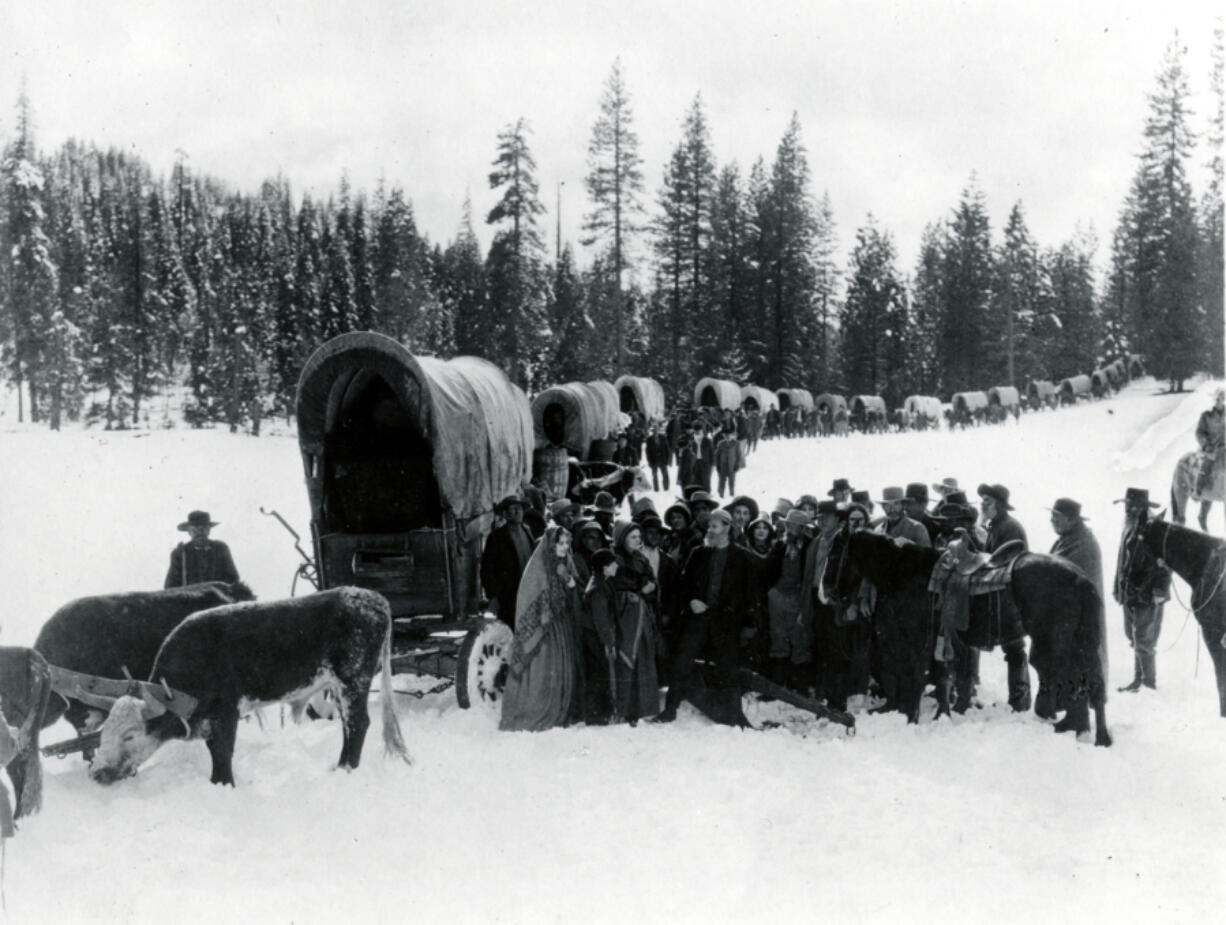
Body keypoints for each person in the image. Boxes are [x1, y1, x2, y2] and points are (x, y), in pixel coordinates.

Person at [655, 510, 754, 726]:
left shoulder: (741, 557)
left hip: (725, 621)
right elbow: (684, 585)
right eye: (709, 527)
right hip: (698, 618)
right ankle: (670, 710)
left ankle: (736, 717)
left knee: (728, 667)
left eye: (715, 527)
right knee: (682, 661)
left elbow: (748, 594)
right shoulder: (698, 553)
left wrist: (744, 621)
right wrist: (692, 600)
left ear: (727, 528)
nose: (710, 531)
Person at [500, 526, 581, 731]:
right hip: (543, 629)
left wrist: (570, 582)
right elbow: (530, 596)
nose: (564, 548)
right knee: (543, 667)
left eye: (566, 544)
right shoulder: (538, 566)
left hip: (561, 624)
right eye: (560, 543)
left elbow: (576, 588)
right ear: (550, 544)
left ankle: (561, 708)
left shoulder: (566, 563)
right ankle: (538, 708)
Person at [1046, 496, 1107, 722]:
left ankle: (1082, 719)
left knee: (1080, 664)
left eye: (1056, 517)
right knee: (1068, 662)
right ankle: (1073, 713)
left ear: (1071, 520)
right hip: (1069, 615)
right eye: (1051, 516)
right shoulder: (1067, 538)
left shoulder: (1084, 543)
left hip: (1081, 618)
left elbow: (1069, 576)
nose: (1052, 521)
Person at [973, 483, 1031, 712]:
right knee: (1012, 647)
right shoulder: (996, 525)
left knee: (1014, 648)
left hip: (1010, 596)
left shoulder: (1010, 527)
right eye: (983, 500)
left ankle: (1021, 700)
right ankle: (1018, 699)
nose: (982, 504)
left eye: (987, 500)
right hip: (1001, 595)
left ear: (999, 504)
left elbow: (1010, 562)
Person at [1113, 488, 1171, 692]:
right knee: (1133, 636)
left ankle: (1148, 683)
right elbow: (1122, 560)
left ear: (1142, 506)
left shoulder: (1155, 527)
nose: (1128, 509)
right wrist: (1117, 588)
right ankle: (1138, 680)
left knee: (1144, 639)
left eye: (1132, 505)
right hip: (1129, 591)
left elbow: (1165, 563)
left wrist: (1159, 591)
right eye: (1127, 505)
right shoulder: (1130, 525)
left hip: (1148, 593)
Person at [611, 522, 661, 722]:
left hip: (641, 613)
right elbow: (617, 584)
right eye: (633, 537)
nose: (638, 540)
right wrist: (641, 589)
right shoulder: (615, 559)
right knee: (626, 656)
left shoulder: (641, 558)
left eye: (639, 537)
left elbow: (651, 580)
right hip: (624, 615)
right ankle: (624, 708)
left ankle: (641, 706)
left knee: (642, 657)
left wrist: (650, 588)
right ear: (622, 539)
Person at [763, 508, 813, 688]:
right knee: (778, 637)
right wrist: (772, 592)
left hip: (798, 598)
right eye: (788, 525)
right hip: (778, 597)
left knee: (799, 638)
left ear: (803, 528)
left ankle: (799, 686)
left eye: (795, 526)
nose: (790, 528)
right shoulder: (780, 545)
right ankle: (777, 684)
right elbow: (769, 570)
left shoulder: (810, 546)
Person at [480, 495, 537, 629]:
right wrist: (493, 597)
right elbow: (487, 569)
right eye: (513, 509)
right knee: (510, 628)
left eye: (521, 508)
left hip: (528, 590)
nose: (518, 512)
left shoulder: (527, 531)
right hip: (508, 594)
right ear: (505, 514)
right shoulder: (496, 537)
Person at [580, 548, 620, 724]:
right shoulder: (599, 588)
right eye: (613, 563)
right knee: (598, 674)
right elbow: (601, 619)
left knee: (598, 674)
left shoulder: (600, 582)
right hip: (594, 638)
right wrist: (608, 642)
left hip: (593, 636)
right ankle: (596, 715)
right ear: (605, 567)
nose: (616, 566)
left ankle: (599, 713)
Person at [164, 510, 240, 588]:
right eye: (196, 528)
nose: (200, 532)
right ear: (189, 531)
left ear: (209, 530)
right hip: (190, 599)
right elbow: (170, 586)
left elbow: (233, 579)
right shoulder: (180, 553)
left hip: (218, 597)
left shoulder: (220, 549)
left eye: (204, 527)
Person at [1195, 388, 1225, 496]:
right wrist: (1206, 444)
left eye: (1220, 399)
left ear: (1223, 399)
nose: (1217, 401)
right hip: (1211, 447)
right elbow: (1199, 432)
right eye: (1215, 399)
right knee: (1206, 464)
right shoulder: (1206, 415)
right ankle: (1199, 489)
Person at [645, 424, 672, 492]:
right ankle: (656, 489)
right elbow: (647, 452)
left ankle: (666, 488)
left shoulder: (663, 438)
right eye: (654, 430)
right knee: (654, 475)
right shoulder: (649, 439)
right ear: (652, 431)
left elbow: (667, 449)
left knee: (665, 474)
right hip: (654, 460)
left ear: (658, 430)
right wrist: (649, 461)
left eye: (656, 430)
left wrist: (668, 459)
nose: (655, 432)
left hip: (663, 459)